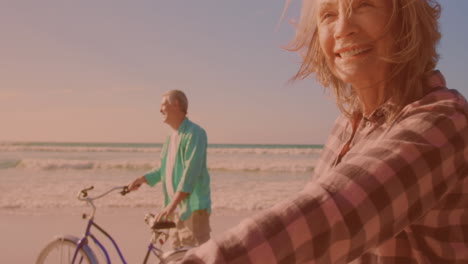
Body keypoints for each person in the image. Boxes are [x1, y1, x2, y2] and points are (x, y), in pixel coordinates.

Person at [178, 0, 468, 263]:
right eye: (328, 14)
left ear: (406, 18)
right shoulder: (346, 123)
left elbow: (332, 215)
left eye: (364, 5)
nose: (343, 27)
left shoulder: (444, 120)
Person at [128, 89, 211, 249]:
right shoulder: (170, 137)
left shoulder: (195, 134)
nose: (160, 109)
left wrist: (171, 205)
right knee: (175, 258)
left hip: (193, 210)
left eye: (163, 105)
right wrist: (142, 179)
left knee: (197, 258)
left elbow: (190, 174)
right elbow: (163, 169)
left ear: (176, 105)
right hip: (174, 210)